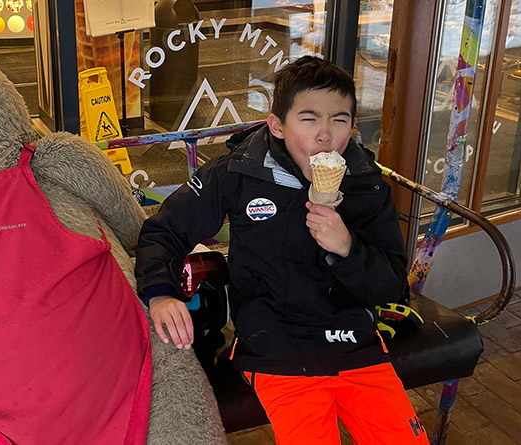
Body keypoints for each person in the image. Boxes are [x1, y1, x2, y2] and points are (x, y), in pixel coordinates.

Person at [134, 56, 428, 444]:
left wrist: (347, 247)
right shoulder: (237, 174)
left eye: (339, 120)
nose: (325, 135)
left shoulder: (365, 184)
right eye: (309, 119)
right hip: (275, 349)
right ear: (277, 125)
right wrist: (160, 294)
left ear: (352, 127)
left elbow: (392, 286)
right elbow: (163, 231)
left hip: (355, 346)